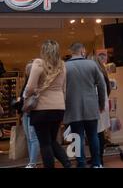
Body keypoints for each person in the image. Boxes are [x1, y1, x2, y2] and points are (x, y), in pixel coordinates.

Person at [24, 40, 71, 168]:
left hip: (41, 108)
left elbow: (30, 87)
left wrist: (25, 98)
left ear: (44, 51)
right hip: (58, 107)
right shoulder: (62, 65)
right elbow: (64, 89)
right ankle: (67, 164)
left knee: (44, 143)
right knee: (51, 141)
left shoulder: (39, 63)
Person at [64, 43, 106, 168]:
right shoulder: (92, 64)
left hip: (72, 107)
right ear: (82, 50)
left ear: (71, 52)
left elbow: (61, 88)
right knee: (93, 135)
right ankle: (97, 163)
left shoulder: (65, 67)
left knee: (77, 137)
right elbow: (101, 85)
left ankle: (81, 163)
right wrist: (101, 103)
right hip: (91, 106)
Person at [20, 61, 41, 168]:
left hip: (33, 112)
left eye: (30, 69)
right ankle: (32, 162)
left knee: (33, 138)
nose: (28, 71)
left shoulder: (36, 83)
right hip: (25, 113)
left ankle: (32, 163)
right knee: (29, 138)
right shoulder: (26, 83)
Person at [93, 55, 111, 167]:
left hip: (99, 106)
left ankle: (98, 159)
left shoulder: (96, 75)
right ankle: (98, 157)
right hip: (103, 105)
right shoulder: (103, 74)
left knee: (97, 133)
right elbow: (107, 90)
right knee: (100, 132)